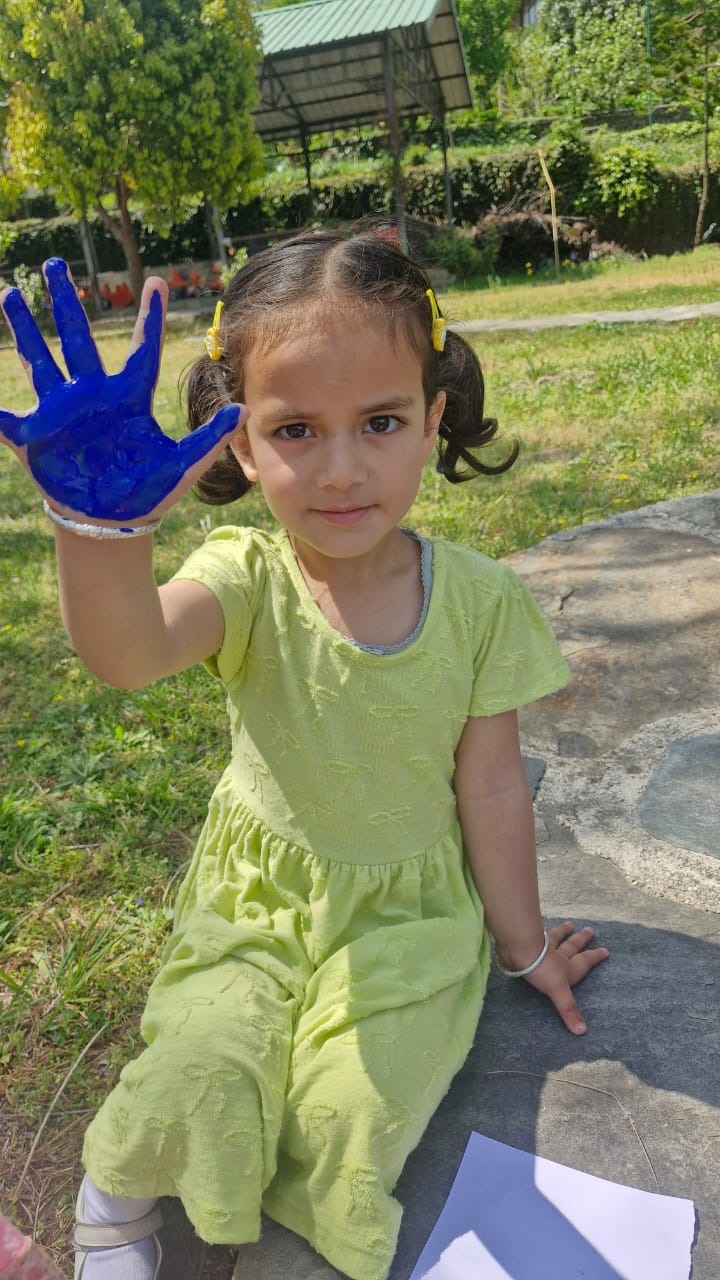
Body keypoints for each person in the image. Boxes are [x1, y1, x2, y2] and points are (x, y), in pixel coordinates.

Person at [0, 233, 608, 1280]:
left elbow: (493, 785)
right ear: (238, 441)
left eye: (379, 421)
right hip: (253, 908)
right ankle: (120, 1192)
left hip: (410, 926)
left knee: (354, 1115)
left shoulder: (481, 602)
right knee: (202, 1066)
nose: (339, 468)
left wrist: (522, 948)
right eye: (293, 429)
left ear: (433, 417)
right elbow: (130, 653)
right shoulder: (244, 572)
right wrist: (97, 530)